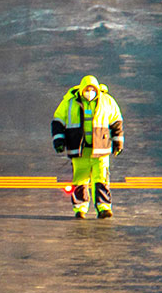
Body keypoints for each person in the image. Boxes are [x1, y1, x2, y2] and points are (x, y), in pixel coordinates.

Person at [51, 75, 123, 219]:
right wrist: (59, 141)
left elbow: (116, 122)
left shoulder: (107, 101)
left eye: (92, 89)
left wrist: (118, 142)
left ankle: (104, 208)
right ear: (82, 89)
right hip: (80, 150)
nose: (90, 92)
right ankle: (80, 208)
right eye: (87, 89)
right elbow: (58, 121)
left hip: (101, 149)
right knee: (80, 179)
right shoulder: (70, 102)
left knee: (101, 178)